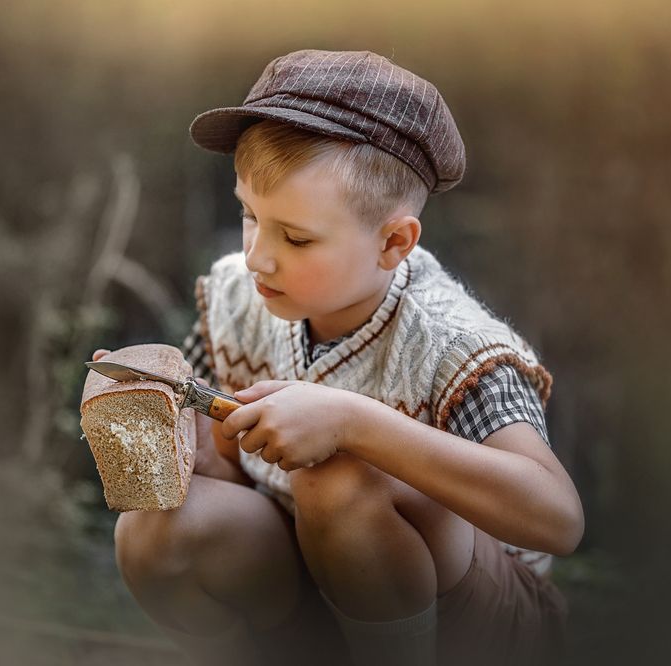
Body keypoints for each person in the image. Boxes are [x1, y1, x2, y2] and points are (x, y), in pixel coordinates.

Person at [92, 49, 583, 666]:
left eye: (296, 237)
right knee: (152, 528)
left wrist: (354, 423)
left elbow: (558, 520)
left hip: (474, 626)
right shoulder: (238, 300)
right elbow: (221, 472)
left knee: (339, 478)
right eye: (249, 215)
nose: (257, 258)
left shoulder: (453, 342)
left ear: (393, 242)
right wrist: (167, 429)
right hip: (323, 590)